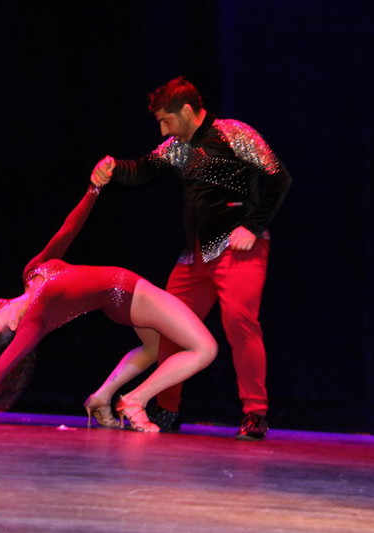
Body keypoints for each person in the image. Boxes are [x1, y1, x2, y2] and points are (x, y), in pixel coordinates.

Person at [0, 169, 218, 432]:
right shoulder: (35, 320)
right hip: (131, 293)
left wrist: (93, 190)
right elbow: (2, 367)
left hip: (122, 300)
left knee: (152, 349)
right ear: (13, 325)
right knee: (205, 349)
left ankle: (102, 396)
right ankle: (135, 399)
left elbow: (68, 230)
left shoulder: (31, 272)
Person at [90, 76, 292, 440]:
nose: (164, 130)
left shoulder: (234, 133)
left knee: (239, 322)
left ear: (185, 111)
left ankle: (255, 413)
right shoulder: (178, 147)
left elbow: (279, 178)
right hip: (194, 256)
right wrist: (113, 167)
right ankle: (167, 409)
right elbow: (142, 169)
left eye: (166, 121)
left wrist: (251, 226)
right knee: (170, 326)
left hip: (238, 249)